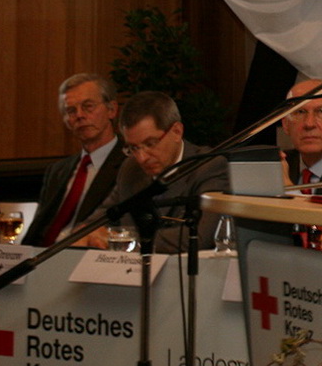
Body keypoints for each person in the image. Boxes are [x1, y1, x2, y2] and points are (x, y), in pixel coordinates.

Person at [90, 91, 227, 254]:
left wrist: (128, 241)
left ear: (176, 131)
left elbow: (200, 236)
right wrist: (89, 233)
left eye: (150, 143)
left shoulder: (209, 166)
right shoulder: (130, 168)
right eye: (133, 148)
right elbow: (101, 219)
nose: (142, 158)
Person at [21, 73, 127, 247]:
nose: (80, 115)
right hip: (40, 255)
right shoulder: (57, 170)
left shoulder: (130, 165)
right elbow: (38, 230)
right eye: (71, 111)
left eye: (88, 106)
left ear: (112, 110)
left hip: (86, 255)